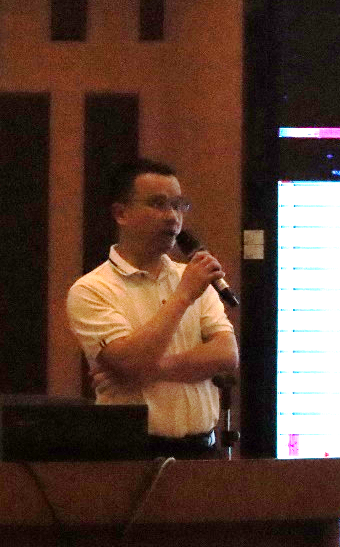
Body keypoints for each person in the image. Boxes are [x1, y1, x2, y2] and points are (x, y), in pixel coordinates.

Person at [66, 158, 239, 459]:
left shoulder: (193, 277)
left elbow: (227, 354)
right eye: (158, 204)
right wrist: (183, 296)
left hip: (202, 451)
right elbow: (131, 362)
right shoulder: (92, 289)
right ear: (121, 213)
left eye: (178, 205)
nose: (172, 217)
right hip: (133, 455)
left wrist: (152, 370)